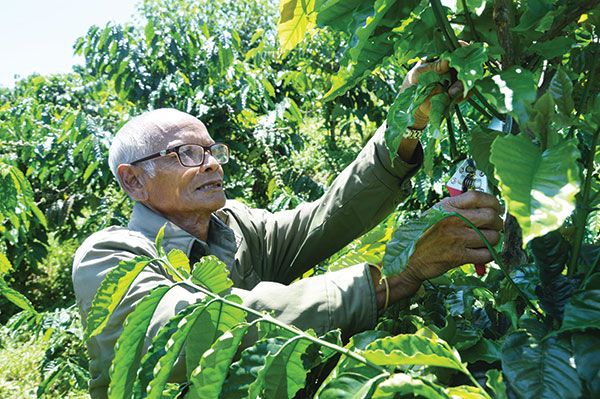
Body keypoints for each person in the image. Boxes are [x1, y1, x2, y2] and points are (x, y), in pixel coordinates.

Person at [72, 59, 502, 398]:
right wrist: (399, 278)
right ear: (133, 181)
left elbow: (328, 216)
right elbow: (202, 330)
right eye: (186, 153)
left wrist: (408, 120)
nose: (213, 163)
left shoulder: (235, 227)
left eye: (211, 150)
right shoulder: (111, 255)